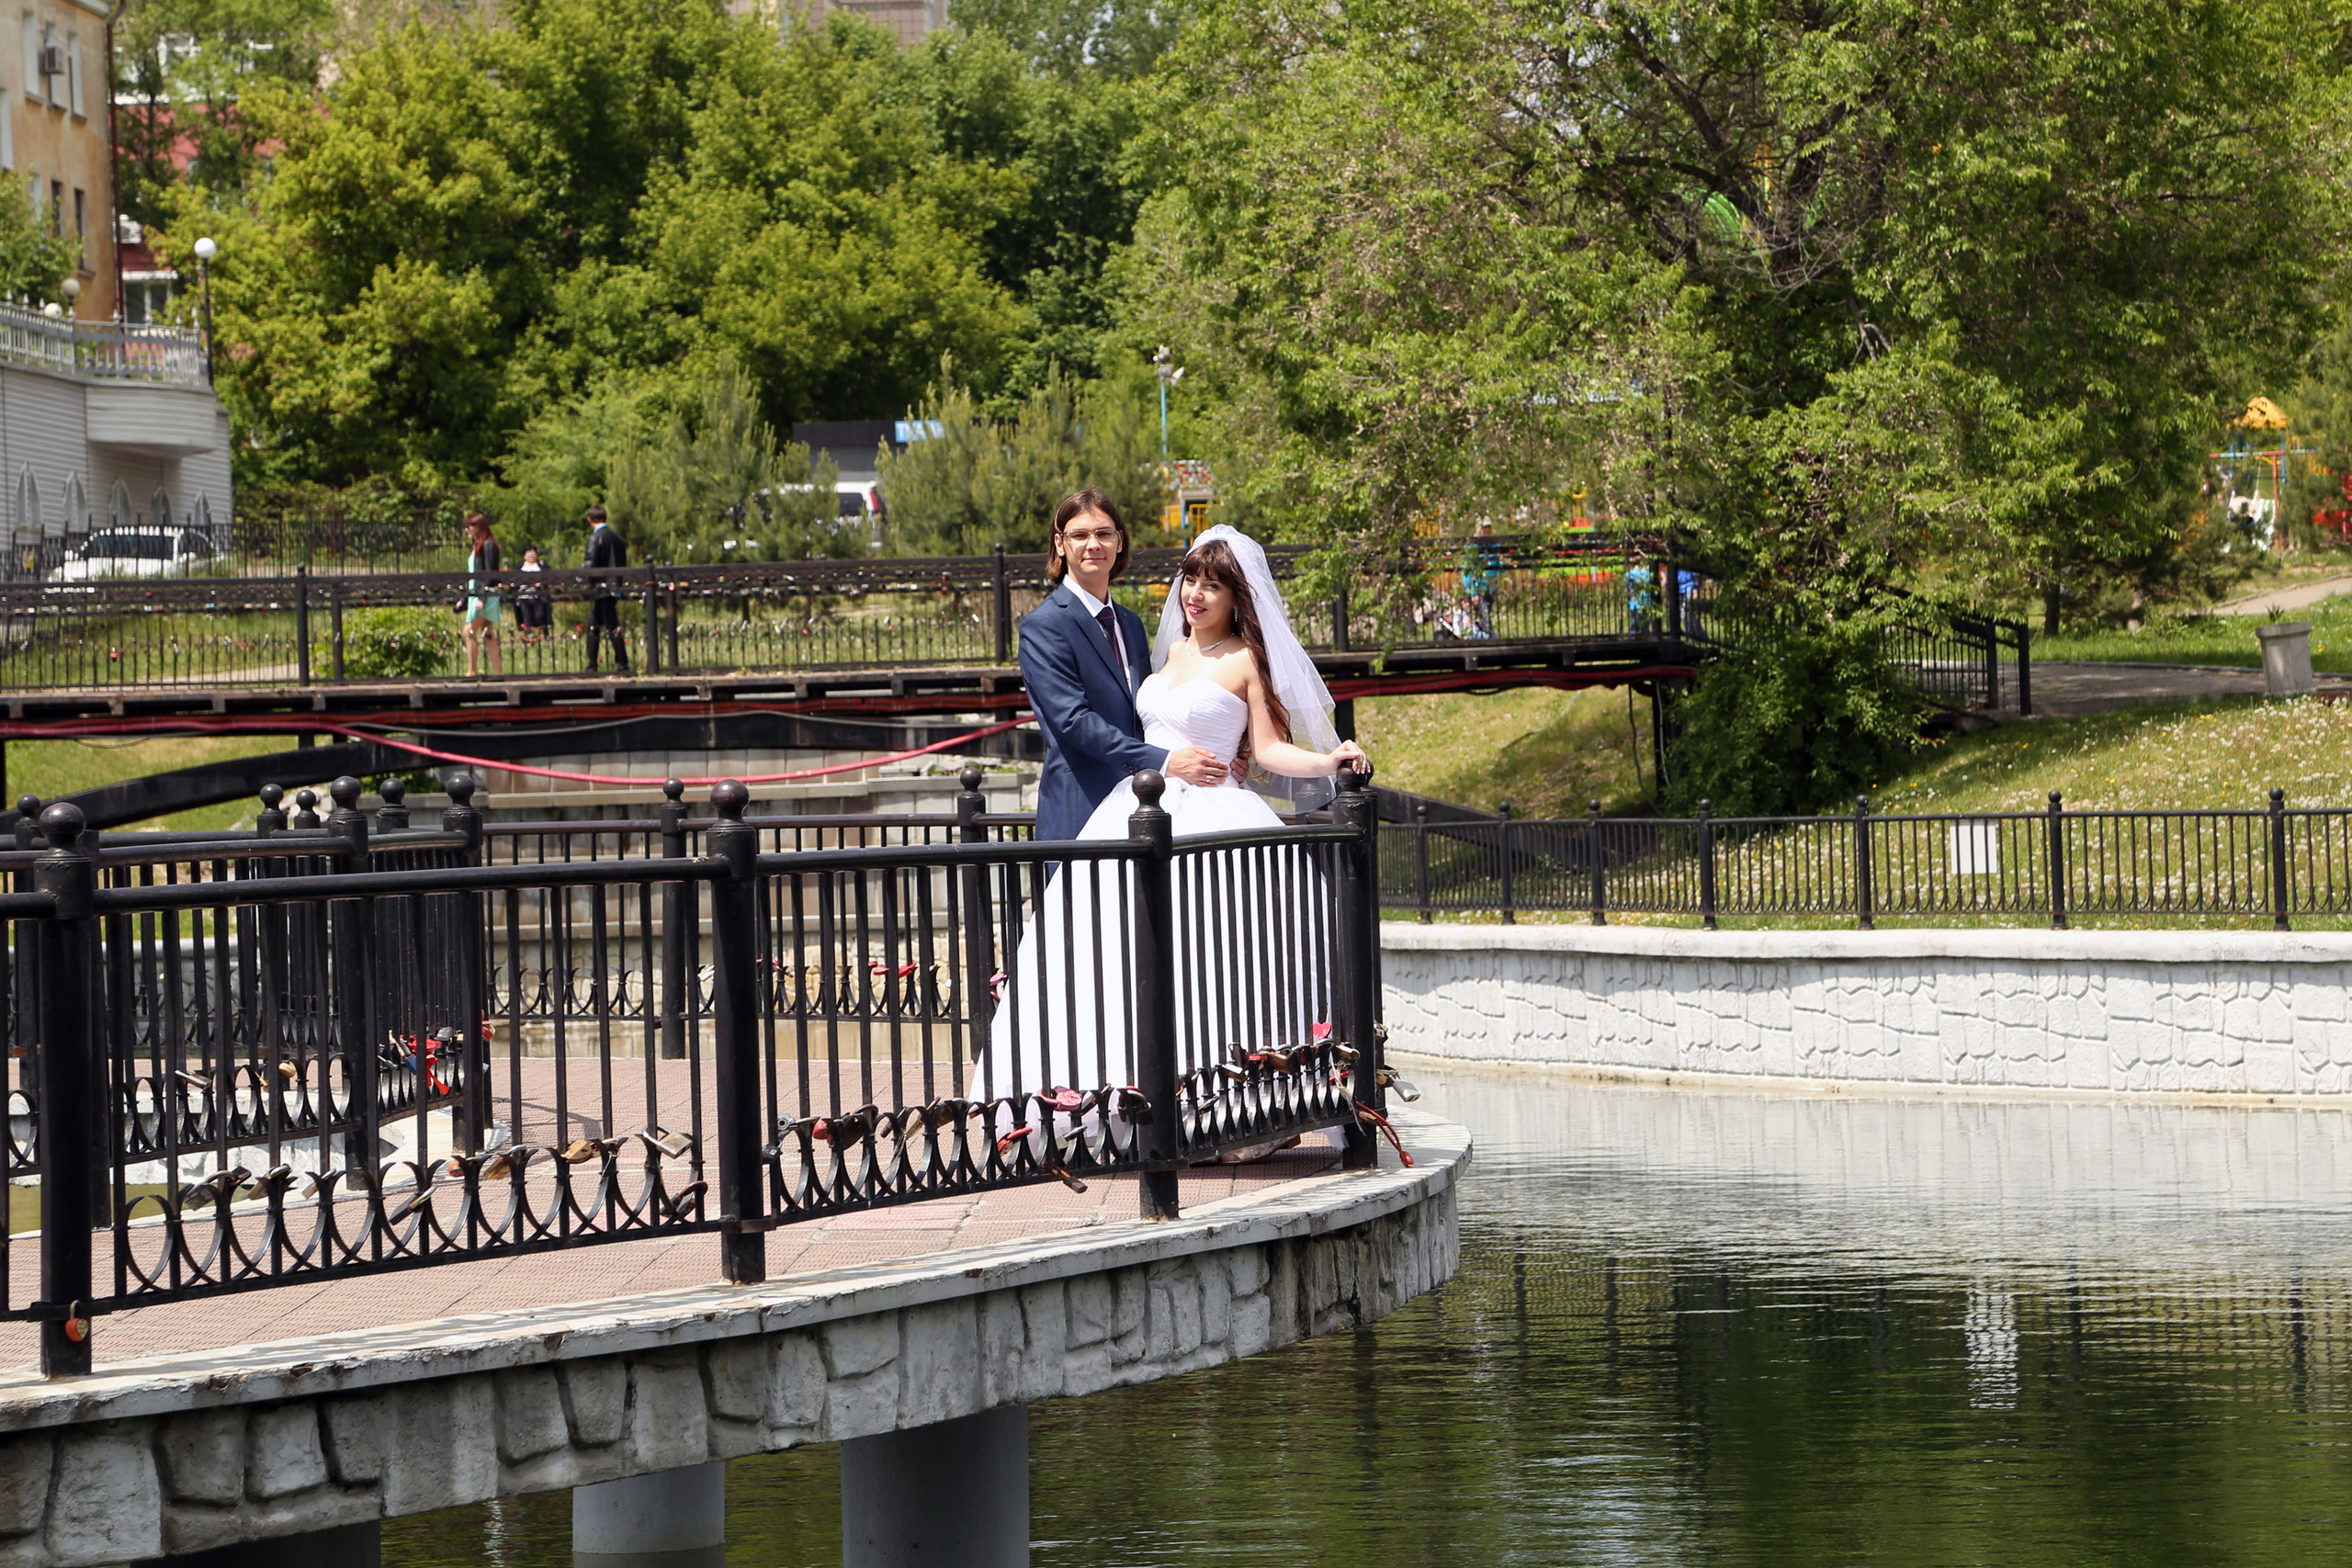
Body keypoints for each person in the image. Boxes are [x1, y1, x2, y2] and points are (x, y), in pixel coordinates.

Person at [986, 522, 1371, 1162]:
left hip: (1215, 819)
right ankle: (1134, 1106)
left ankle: (1240, 1109)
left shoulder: (1245, 659)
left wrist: (1333, 761)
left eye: (1213, 585)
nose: (1196, 594)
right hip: (1139, 814)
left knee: (1220, 963)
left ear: (1235, 597)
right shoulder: (1160, 652)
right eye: (1191, 579)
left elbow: (1270, 748)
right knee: (1131, 961)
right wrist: (1168, 761)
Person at [1017, 489, 1225, 842]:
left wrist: (1220, 757)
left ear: (1119, 541)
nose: (1093, 544)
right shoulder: (1045, 625)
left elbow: (1154, 711)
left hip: (1151, 805)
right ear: (1060, 543)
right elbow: (1073, 722)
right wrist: (1163, 761)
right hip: (1083, 805)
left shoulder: (1129, 624)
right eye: (1080, 535)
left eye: (1103, 533)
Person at [583, 505, 629, 673]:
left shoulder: (595, 538)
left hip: (602, 588)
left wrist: (582, 579)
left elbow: (590, 563)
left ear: (590, 520)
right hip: (614, 587)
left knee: (610, 625)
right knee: (596, 624)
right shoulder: (617, 538)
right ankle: (593, 665)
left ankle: (620, 664)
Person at [461, 513, 503, 678]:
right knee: (488, 634)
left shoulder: (487, 545)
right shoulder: (479, 545)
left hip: (484, 595)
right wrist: (465, 599)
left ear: (479, 527)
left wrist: (481, 598)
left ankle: (472, 671)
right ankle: (497, 672)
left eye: (470, 526)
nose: (467, 530)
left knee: (469, 631)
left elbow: (488, 574)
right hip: (478, 594)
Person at [513, 545, 553, 642]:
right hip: (524, 595)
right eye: (528, 552)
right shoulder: (520, 567)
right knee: (527, 617)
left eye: (533, 552)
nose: (531, 554)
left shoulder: (541, 566)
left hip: (538, 595)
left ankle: (543, 633)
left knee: (540, 615)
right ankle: (529, 637)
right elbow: (514, 581)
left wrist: (541, 583)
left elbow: (549, 578)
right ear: (524, 556)